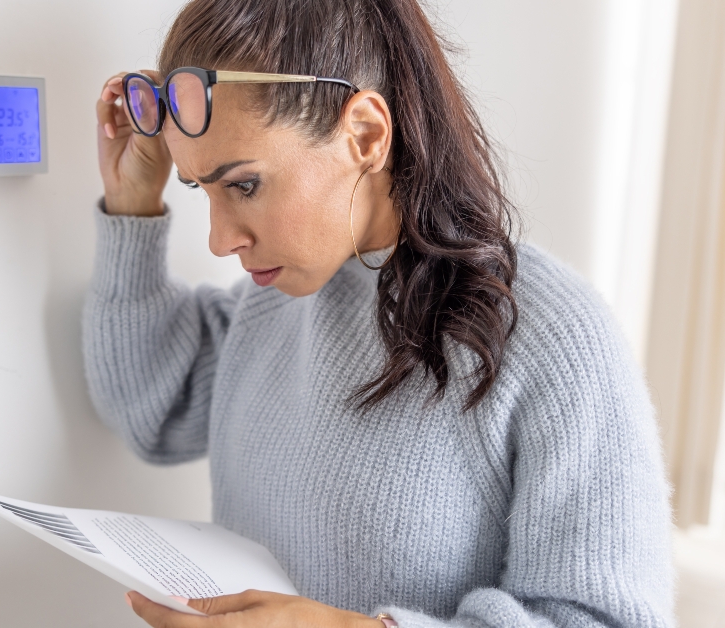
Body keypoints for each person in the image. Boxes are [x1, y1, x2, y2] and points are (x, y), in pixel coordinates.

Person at [84, 0, 674, 626]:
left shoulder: (550, 335)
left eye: (245, 185)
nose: (220, 240)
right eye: (201, 187)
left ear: (365, 134)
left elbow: (609, 618)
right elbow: (154, 411)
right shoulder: (276, 300)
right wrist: (131, 206)